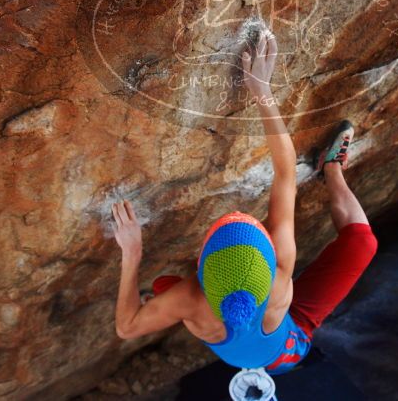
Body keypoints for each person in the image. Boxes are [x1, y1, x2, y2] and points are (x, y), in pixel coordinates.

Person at [110, 28, 378, 379]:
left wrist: (132, 255)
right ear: (269, 261)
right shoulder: (280, 274)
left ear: (203, 268)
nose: (240, 215)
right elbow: (285, 171)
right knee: (363, 243)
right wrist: (262, 91)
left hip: (243, 344)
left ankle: (331, 171)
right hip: (288, 345)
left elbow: (127, 328)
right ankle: (331, 169)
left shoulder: (190, 296)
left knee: (164, 288)